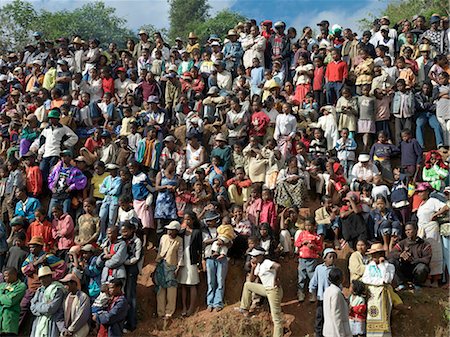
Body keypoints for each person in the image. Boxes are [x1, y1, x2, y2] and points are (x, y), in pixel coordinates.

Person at [239, 247, 283, 337]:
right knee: (247, 285)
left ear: (260, 256)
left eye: (254, 256)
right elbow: (251, 280)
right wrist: (253, 268)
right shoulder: (258, 265)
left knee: (276, 318)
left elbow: (278, 266)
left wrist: (276, 279)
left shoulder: (266, 262)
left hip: (273, 290)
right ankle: (244, 308)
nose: (252, 258)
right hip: (266, 289)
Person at [414, 182, 449, 287]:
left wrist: (436, 214)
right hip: (422, 230)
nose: (419, 194)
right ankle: (427, 278)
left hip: (431, 229)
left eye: (421, 191)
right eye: (418, 192)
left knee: (435, 253)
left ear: (427, 192)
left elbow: (446, 207)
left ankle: (436, 280)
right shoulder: (421, 204)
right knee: (425, 253)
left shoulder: (432, 201)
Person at [362, 243, 396, 337]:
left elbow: (387, 279)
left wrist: (382, 265)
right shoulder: (369, 266)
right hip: (372, 295)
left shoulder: (389, 266)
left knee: (383, 318)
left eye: (375, 254)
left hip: (383, 295)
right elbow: (365, 279)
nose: (372, 257)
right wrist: (379, 281)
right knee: (372, 317)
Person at [389, 222, 431, 290]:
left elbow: (427, 259)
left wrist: (412, 260)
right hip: (404, 270)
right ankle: (401, 284)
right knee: (391, 261)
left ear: (416, 230)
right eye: (406, 230)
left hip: (417, 271)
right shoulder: (402, 243)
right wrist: (401, 255)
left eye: (409, 230)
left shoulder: (424, 244)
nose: (407, 232)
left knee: (422, 268)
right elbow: (390, 254)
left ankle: (417, 284)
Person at [154, 220, 182, 319]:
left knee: (171, 289)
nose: (169, 232)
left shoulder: (179, 240)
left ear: (176, 231)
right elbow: (160, 250)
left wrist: (178, 267)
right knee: (160, 288)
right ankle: (160, 312)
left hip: (172, 267)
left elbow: (180, 255)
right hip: (161, 265)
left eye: (172, 230)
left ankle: (169, 312)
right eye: (168, 229)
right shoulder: (163, 237)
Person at [30, 266, 65, 337]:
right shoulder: (39, 290)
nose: (43, 280)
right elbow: (32, 307)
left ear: (50, 277)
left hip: (52, 321)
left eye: (45, 277)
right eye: (41, 278)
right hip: (39, 321)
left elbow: (51, 308)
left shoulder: (57, 289)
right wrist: (43, 306)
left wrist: (38, 305)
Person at [309, 248, 337, 337]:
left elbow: (339, 285)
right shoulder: (319, 269)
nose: (332, 259)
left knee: (330, 318)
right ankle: (318, 334)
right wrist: (312, 292)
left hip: (332, 300)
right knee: (319, 318)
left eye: (334, 257)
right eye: (330, 257)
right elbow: (314, 282)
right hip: (321, 298)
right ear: (324, 258)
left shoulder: (335, 270)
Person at [323, 267, 352, 337]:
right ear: (340, 279)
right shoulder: (336, 292)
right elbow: (336, 315)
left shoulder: (327, 290)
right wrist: (340, 334)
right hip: (335, 332)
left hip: (328, 330)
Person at [59, 273, 91, 337]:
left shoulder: (83, 297)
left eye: (67, 283)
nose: (65, 286)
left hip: (80, 329)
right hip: (67, 331)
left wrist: (71, 329)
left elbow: (82, 316)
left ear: (74, 284)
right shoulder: (66, 297)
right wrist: (64, 330)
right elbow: (61, 315)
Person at [0, 267, 26, 336]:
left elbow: (10, 301)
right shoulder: (2, 285)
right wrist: (4, 298)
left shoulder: (21, 286)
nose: (5, 278)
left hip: (9, 323)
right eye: (4, 276)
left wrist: (1, 297)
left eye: (6, 276)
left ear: (14, 275)